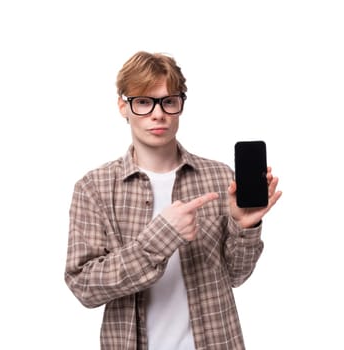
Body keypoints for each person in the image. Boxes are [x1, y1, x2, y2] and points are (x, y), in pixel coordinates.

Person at [64, 51, 282, 350]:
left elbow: (236, 275)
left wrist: (245, 227)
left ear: (180, 106)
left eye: (168, 101)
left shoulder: (219, 177)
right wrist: (161, 237)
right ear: (122, 106)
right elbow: (84, 287)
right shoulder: (94, 188)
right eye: (143, 102)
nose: (158, 114)